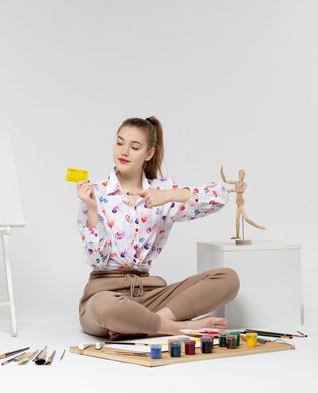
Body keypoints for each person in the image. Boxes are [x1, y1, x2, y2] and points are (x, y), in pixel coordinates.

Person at [76, 116, 239, 339]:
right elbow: (96, 261)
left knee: (228, 279)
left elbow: (219, 196)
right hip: (105, 293)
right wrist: (92, 210)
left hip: (151, 295)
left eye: (134, 147)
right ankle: (181, 328)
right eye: (119, 143)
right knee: (105, 307)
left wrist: (170, 195)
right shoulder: (95, 192)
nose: (124, 152)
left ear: (149, 154)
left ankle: (146, 324)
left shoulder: (161, 193)